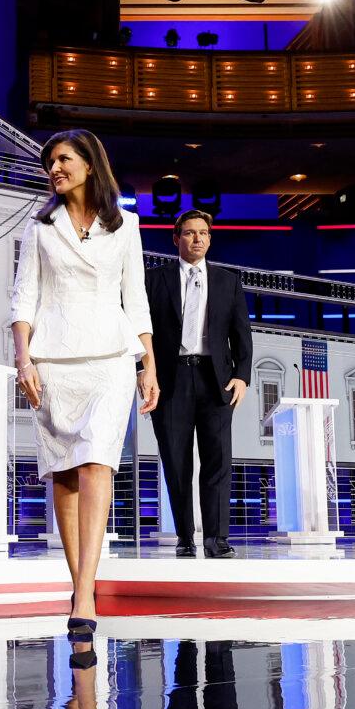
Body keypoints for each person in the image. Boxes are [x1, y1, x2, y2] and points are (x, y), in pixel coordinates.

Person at [10, 129, 158, 640]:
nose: (54, 166)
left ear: (90, 164)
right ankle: (80, 584)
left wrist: (149, 366)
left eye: (64, 158)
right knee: (66, 477)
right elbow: (23, 298)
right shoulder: (40, 227)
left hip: (111, 361)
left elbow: (136, 301)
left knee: (97, 464)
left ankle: (87, 590)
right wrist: (23, 359)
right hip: (54, 363)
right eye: (50, 160)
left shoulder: (127, 226)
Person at [146, 210, 253, 558]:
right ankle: (185, 537)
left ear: (210, 238)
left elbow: (241, 334)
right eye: (190, 233)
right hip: (170, 379)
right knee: (176, 462)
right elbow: (138, 330)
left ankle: (216, 540)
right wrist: (142, 371)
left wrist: (243, 375)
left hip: (216, 381)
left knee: (218, 462)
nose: (197, 239)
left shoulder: (228, 281)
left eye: (203, 233)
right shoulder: (154, 280)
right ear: (176, 239)